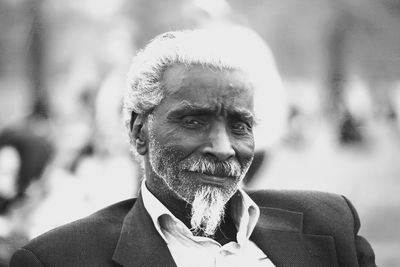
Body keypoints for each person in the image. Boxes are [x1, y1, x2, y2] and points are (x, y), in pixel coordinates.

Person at [10, 26, 376, 267]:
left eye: (240, 125)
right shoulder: (61, 258)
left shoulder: (330, 224)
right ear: (139, 131)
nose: (223, 148)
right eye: (194, 121)